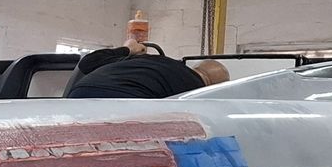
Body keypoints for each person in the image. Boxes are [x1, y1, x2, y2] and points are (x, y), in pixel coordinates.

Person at [65, 50, 228, 99]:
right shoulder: (194, 91)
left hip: (78, 92)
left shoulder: (155, 60)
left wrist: (128, 48)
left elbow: (88, 62)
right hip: (121, 99)